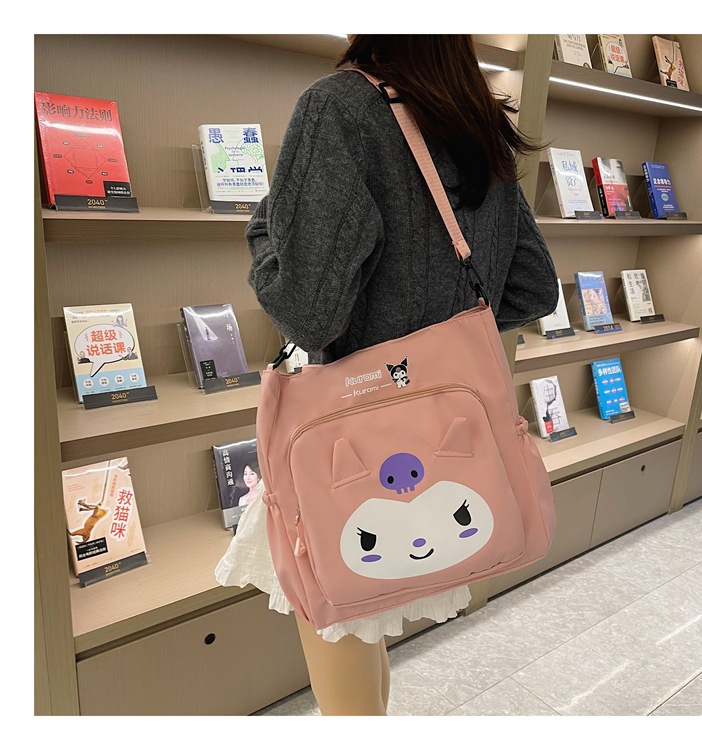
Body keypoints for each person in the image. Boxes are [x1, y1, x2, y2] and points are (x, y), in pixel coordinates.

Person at [215, 34, 558, 716]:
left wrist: (265, 230)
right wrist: (441, 329)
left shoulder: (339, 109)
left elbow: (307, 313)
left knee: (343, 636)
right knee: (362, 648)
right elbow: (531, 288)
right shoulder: (475, 115)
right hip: (452, 453)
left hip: (348, 445)